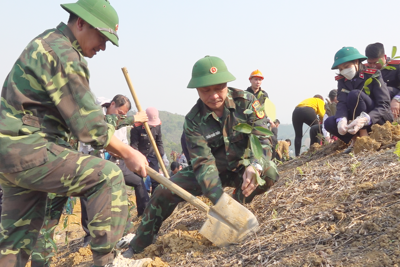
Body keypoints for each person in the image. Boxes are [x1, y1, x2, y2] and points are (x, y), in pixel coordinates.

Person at [0, 1, 149, 267]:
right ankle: (107, 261)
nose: (103, 46)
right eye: (102, 37)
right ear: (80, 23)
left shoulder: (45, 42)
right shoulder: (63, 52)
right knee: (108, 176)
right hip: (31, 149)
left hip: (13, 154)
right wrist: (128, 152)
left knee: (15, 242)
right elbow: (90, 127)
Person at [122, 55, 279, 257]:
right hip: (211, 172)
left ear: (227, 85)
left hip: (243, 167)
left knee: (269, 173)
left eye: (219, 88)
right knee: (162, 191)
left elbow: (264, 139)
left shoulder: (247, 103)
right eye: (206, 90)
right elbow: (204, 164)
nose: (214, 96)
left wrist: (255, 166)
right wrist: (219, 201)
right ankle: (139, 244)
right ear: (197, 89)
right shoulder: (193, 121)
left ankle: (237, 202)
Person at [324, 47, 393, 153]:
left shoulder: (373, 74)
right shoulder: (343, 80)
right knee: (329, 122)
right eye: (341, 69)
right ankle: (355, 140)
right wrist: (341, 120)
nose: (344, 71)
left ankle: (364, 137)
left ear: (356, 62)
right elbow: (342, 102)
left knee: (354, 94)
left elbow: (384, 104)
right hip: (354, 122)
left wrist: (366, 118)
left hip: (375, 118)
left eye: (346, 67)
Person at [131, 107, 165, 191]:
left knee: (156, 181)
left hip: (152, 155)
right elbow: (134, 146)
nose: (153, 125)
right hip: (139, 156)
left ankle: (155, 201)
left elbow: (159, 142)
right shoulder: (136, 127)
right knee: (138, 181)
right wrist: (137, 159)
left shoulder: (157, 126)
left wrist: (161, 156)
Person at [365, 42, 400, 119]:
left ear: (384, 57)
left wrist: (397, 100)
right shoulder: (365, 70)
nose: (373, 66)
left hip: (393, 101)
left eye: (376, 62)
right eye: (370, 63)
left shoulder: (397, 67)